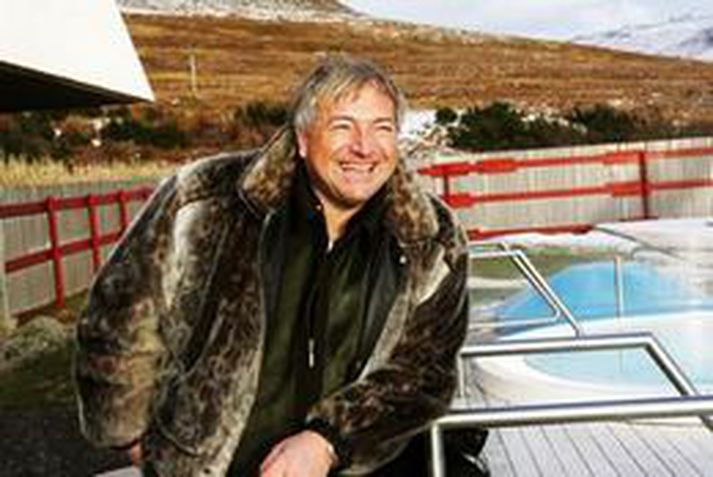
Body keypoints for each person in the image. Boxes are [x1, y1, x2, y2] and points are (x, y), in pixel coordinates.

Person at [74, 55, 469, 476]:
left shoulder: (433, 239)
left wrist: (330, 440)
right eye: (343, 126)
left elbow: (424, 372)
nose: (364, 147)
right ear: (303, 138)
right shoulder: (204, 199)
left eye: (382, 128)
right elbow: (119, 317)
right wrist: (131, 437)